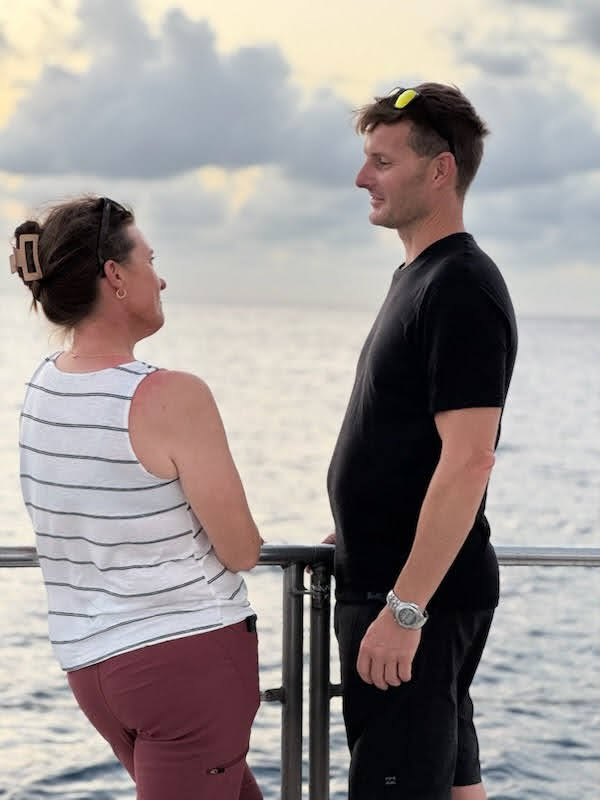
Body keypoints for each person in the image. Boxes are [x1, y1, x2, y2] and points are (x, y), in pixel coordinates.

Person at [11, 196, 264, 800]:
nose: (161, 278)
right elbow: (242, 550)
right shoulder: (172, 396)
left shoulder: (42, 387)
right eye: (150, 261)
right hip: (184, 662)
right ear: (115, 276)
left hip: (91, 666)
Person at [327, 83, 518, 799]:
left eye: (382, 162)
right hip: (397, 587)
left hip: (413, 604)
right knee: (452, 784)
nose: (362, 178)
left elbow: (469, 460)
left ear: (440, 171)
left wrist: (405, 610)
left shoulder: (460, 286)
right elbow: (408, 442)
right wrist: (357, 525)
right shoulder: (419, 275)